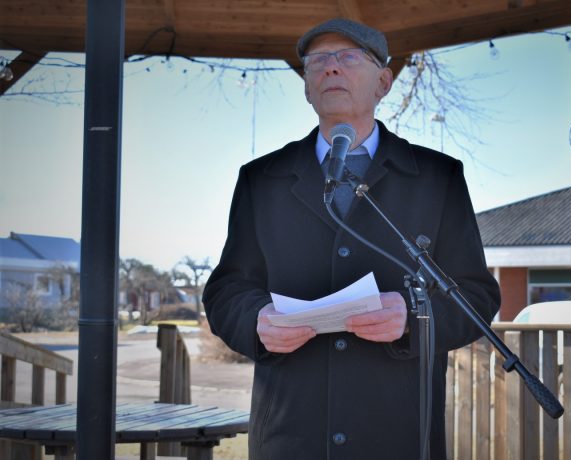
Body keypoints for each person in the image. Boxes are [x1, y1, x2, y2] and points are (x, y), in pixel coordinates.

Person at [203, 17, 501, 460]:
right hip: (290, 432)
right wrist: (256, 320)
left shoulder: (438, 177)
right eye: (317, 61)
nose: (331, 68)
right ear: (306, 86)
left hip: (398, 432)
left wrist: (412, 318)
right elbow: (227, 290)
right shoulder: (261, 179)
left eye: (347, 57)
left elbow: (475, 294)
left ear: (383, 82)